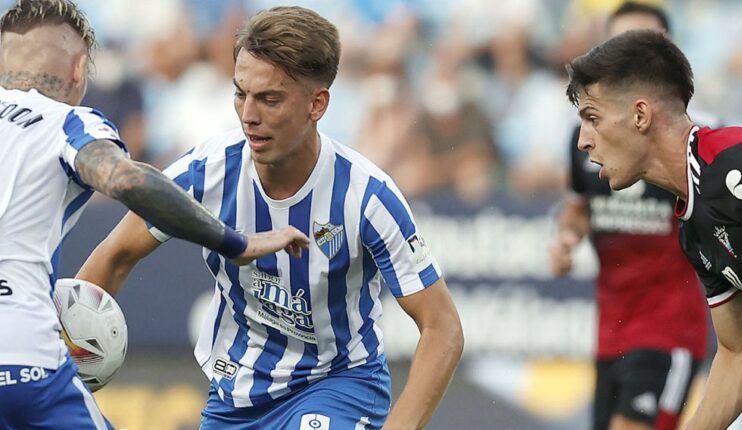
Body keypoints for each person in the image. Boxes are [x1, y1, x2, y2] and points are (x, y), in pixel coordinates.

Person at [77, 6, 464, 430]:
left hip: (337, 384)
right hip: (235, 394)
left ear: (317, 103)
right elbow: (115, 255)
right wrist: (62, 366)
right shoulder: (205, 173)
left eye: (270, 99)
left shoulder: (367, 197)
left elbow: (442, 328)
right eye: (241, 93)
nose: (248, 115)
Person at [0, 1, 309, 429]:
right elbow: (127, 181)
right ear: (77, 72)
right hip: (21, 359)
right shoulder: (68, 124)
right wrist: (237, 242)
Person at [566, 28, 742, 430]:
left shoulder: (737, 167)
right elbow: (740, 352)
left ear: (640, 115)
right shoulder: (693, 227)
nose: (583, 142)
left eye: (592, 119)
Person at [549, 3, 708, 430]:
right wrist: (567, 237)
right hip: (611, 330)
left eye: (640, 43)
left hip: (668, 329)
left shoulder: (704, 152)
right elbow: (579, 207)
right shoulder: (587, 139)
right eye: (617, 44)